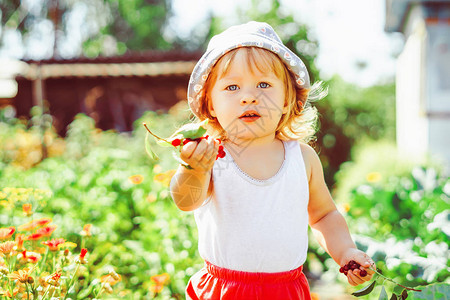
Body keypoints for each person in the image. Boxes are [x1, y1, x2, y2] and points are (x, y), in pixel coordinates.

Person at [170, 21, 375, 300]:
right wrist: (194, 169)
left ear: (287, 100)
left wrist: (346, 252)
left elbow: (324, 215)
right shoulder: (212, 155)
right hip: (226, 289)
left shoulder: (302, 158)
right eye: (232, 87)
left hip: (286, 290)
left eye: (264, 84)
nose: (249, 97)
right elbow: (186, 201)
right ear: (211, 105)